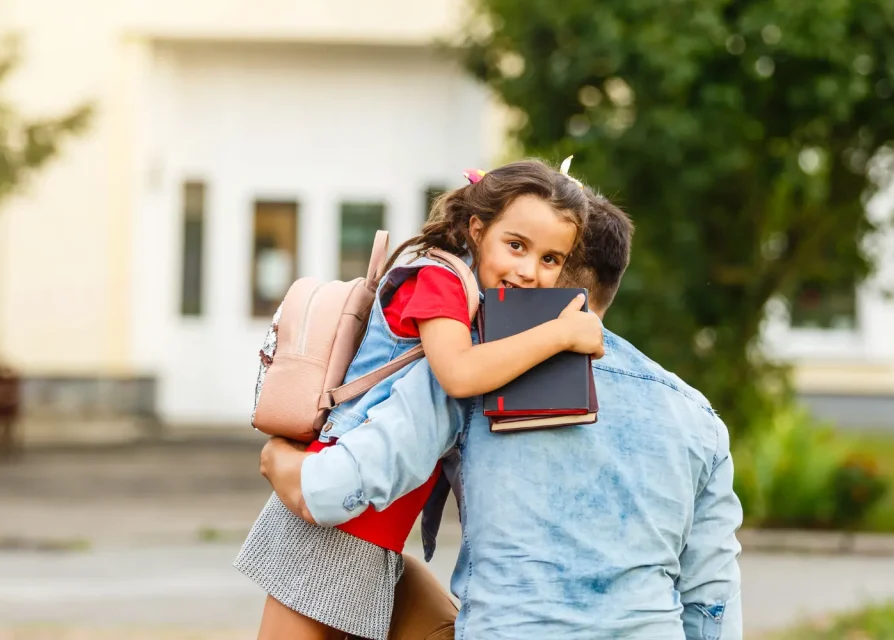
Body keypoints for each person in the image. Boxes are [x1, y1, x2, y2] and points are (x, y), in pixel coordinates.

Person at [261, 191, 745, 639]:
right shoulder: (697, 418)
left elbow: (332, 491)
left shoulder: (474, 372)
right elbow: (711, 602)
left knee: (388, 578)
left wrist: (281, 457)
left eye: (542, 256)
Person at [234, 159, 606, 640]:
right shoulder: (441, 279)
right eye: (516, 246)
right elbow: (458, 373)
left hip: (372, 527)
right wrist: (560, 335)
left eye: (550, 259)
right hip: (336, 519)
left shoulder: (484, 304)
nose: (529, 270)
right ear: (477, 229)